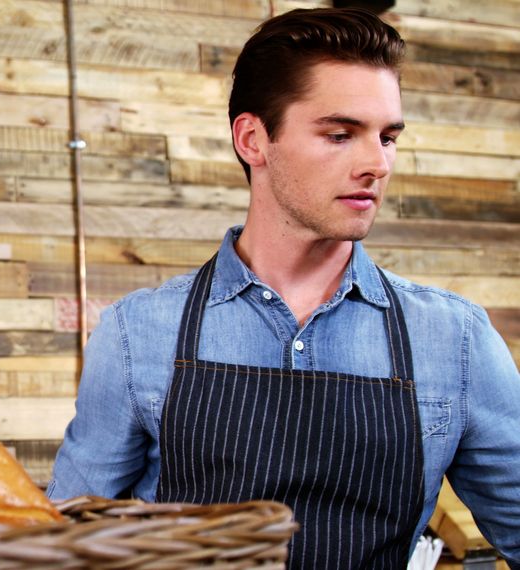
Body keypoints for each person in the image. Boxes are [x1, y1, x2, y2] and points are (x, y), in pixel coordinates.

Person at [48, 7, 520, 569]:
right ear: (253, 138)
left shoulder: (456, 338)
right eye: (341, 134)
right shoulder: (137, 333)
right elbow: (66, 548)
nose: (377, 163)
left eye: (388, 137)